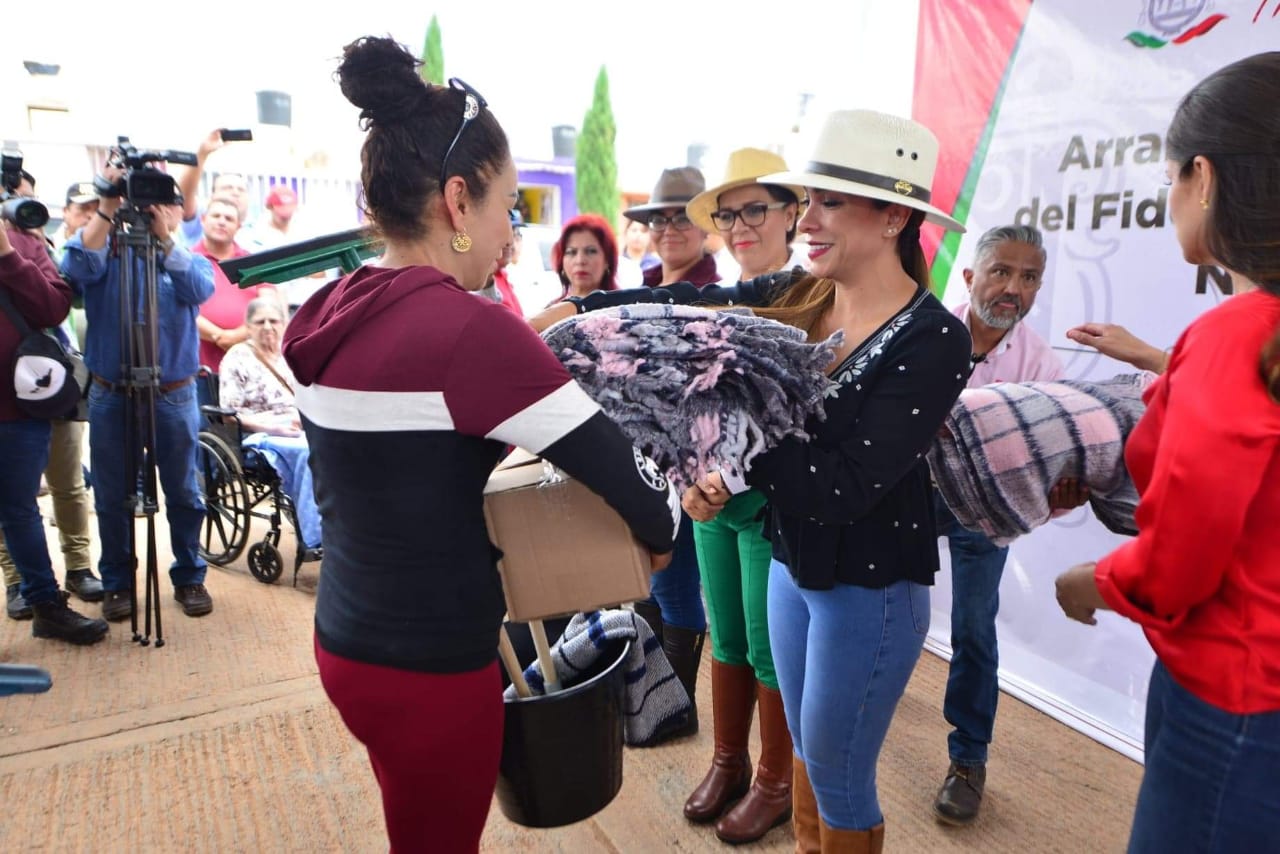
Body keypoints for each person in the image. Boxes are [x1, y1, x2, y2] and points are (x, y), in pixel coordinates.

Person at [281, 37, 678, 853]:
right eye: (507, 206)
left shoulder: (326, 309)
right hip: (433, 664)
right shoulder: (470, 334)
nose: (511, 232)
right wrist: (668, 519)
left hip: (346, 644)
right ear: (458, 201)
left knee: (413, 825)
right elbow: (633, 481)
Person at [682, 110, 972, 852]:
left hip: (868, 592)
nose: (807, 218)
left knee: (839, 773)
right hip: (791, 565)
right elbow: (698, 310)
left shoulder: (935, 337)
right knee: (810, 749)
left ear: (895, 215)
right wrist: (580, 311)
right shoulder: (805, 296)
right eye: (808, 199)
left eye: (830, 201)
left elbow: (842, 487)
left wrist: (745, 423)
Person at [1053, 52, 1280, 854]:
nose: (1170, 196)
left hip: (1238, 707)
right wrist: (1164, 367)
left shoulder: (1232, 337)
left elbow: (1183, 558)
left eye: (1170, 177)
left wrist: (1093, 581)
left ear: (1206, 178)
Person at [675, 147, 804, 842]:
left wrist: (730, 479)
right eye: (729, 214)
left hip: (767, 504)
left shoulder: (810, 297)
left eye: (756, 208)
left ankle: (775, 783)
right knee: (723, 635)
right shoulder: (713, 302)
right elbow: (685, 405)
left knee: (764, 646)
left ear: (792, 212)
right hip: (708, 503)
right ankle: (728, 762)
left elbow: (797, 418)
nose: (741, 224)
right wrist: (687, 477)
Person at [931, 224, 1075, 826]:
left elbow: (1058, 455)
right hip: (908, 495)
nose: (1014, 288)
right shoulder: (926, 332)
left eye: (1030, 277)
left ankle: (968, 760)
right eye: (1002, 272)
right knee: (885, 611)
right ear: (970, 278)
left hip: (983, 512)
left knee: (973, 629)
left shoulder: (1044, 363)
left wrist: (1059, 489)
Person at [61, 169, 217, 622]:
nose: (152, 209)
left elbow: (201, 289)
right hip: (113, 393)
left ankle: (189, 575)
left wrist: (168, 239)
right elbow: (74, 267)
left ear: (175, 209)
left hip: (173, 394)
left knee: (185, 492)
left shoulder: (185, 255)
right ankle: (117, 583)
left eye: (164, 202)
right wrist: (107, 204)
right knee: (112, 496)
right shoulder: (104, 250)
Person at [0, 223, 109, 644]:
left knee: (20, 510)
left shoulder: (24, 239)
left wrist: (8, 254)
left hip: (19, 405)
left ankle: (47, 606)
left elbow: (51, 309)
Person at [218, 298, 321, 553]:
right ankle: (314, 536)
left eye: (273, 321)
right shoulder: (237, 357)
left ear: (285, 324)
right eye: (259, 321)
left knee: (338, 445)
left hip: (300, 424)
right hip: (258, 431)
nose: (267, 327)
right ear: (248, 327)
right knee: (308, 452)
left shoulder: (290, 354)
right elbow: (229, 415)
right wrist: (274, 429)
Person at [191, 196, 276, 374]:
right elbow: (182, 310)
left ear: (239, 226)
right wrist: (218, 336)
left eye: (229, 218)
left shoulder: (254, 263)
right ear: (203, 220)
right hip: (200, 369)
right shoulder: (188, 260)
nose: (222, 222)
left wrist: (240, 334)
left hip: (249, 369)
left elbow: (270, 306)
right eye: (216, 216)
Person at [550, 213, 620, 301]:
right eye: (571, 252)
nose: (580, 260)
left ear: (607, 260)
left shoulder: (623, 310)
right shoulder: (552, 312)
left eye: (591, 251)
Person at [617, 217, 658, 287]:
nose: (638, 235)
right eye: (634, 230)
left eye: (643, 231)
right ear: (626, 233)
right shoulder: (617, 264)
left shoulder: (656, 265)